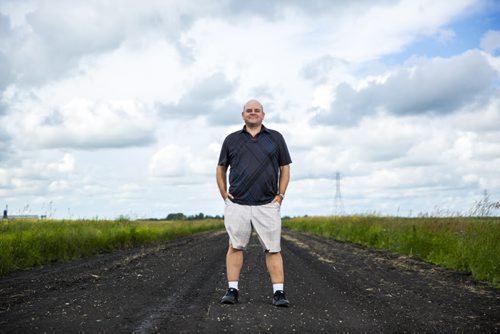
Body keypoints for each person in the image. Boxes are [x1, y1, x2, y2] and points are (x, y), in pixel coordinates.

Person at [216, 99, 292, 307]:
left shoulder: (275, 138)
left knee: (273, 249)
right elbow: (221, 168)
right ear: (242, 115)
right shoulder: (231, 140)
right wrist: (223, 193)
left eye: (256, 110)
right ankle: (232, 290)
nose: (253, 113)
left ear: (263, 115)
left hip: (267, 203)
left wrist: (280, 196)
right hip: (237, 203)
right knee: (235, 246)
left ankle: (279, 293)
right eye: (249, 111)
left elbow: (285, 167)